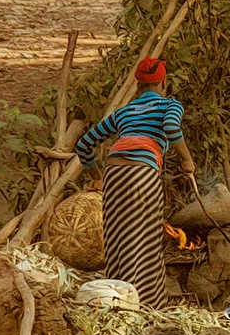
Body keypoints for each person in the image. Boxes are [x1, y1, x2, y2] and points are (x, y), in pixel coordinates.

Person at [76, 57, 196, 307]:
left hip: (113, 171)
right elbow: (172, 129)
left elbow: (84, 144)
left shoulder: (123, 112)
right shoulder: (169, 105)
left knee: (118, 237)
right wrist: (187, 160)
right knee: (144, 237)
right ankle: (145, 306)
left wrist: (96, 176)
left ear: (139, 86)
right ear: (163, 82)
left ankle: (114, 301)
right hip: (143, 171)